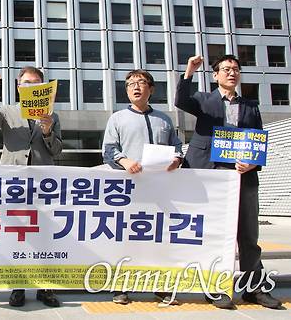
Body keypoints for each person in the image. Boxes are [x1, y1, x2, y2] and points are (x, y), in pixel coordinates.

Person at [175, 54, 282, 310]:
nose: (232, 73)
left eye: (236, 69)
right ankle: (214, 286)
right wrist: (189, 71)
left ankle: (254, 288)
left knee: (248, 234)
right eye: (226, 69)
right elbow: (180, 100)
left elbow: (258, 141)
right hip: (211, 175)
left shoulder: (250, 106)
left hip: (243, 177)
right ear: (215, 75)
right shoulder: (203, 100)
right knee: (212, 232)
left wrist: (253, 163)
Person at [0, 67, 62, 308]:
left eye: (36, 83)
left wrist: (47, 131)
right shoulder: (8, 111)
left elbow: (57, 150)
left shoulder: (52, 116)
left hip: (42, 183)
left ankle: (45, 287)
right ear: (19, 87)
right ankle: (17, 286)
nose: (31, 86)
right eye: (27, 82)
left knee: (43, 234)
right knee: (17, 234)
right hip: (13, 181)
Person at [102, 69, 183, 306]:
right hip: (128, 190)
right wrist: (125, 161)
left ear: (151, 89)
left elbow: (177, 146)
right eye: (130, 84)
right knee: (125, 237)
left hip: (160, 189)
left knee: (158, 239)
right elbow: (108, 150)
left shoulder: (164, 119)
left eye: (141, 82)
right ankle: (121, 286)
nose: (135, 87)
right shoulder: (117, 118)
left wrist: (177, 159)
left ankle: (160, 286)